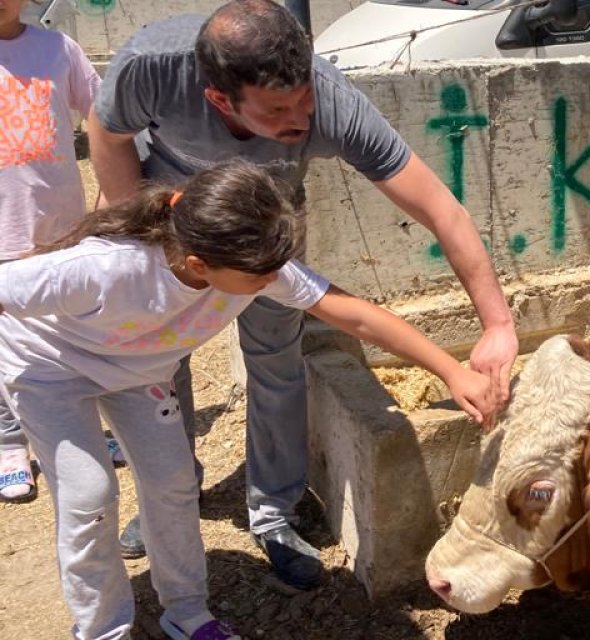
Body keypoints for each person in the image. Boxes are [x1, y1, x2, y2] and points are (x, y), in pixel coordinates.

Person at [87, 0, 518, 588]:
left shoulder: (330, 104)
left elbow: (440, 210)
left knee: (277, 359)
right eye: (278, 110)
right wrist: (138, 236)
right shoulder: (151, 68)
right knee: (163, 361)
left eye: (305, 98)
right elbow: (106, 134)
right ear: (219, 99)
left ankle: (274, 512)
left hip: (266, 226)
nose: (300, 119)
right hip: (171, 215)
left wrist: (496, 326)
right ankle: (172, 489)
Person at [0, 159, 502, 640]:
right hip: (49, 368)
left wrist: (451, 370)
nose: (274, 283)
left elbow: (356, 315)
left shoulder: (259, 265)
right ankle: (101, 630)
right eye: (261, 277)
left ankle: (187, 612)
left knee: (173, 485)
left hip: (138, 373)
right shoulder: (106, 268)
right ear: (199, 264)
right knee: (89, 497)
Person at [0, 0, 102, 502]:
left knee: (69, 329)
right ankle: (8, 443)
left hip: (59, 227)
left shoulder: (58, 48)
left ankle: (83, 425)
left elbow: (102, 114)